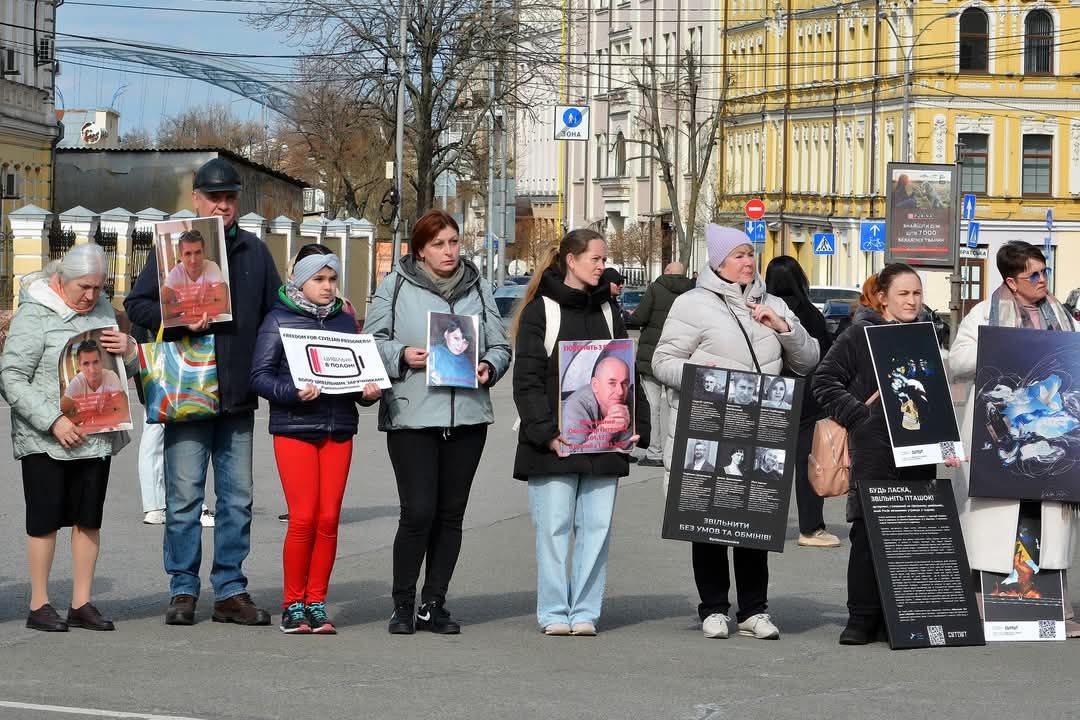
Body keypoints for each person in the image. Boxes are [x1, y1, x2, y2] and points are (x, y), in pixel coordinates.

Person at [125, 157, 281, 627]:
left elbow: (277, 313)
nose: (223, 205)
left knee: (237, 499)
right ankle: (183, 590)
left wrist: (324, 311)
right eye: (214, 197)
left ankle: (230, 590)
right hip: (188, 390)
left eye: (230, 197)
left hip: (237, 394)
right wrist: (175, 318)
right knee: (185, 497)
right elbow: (136, 305)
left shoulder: (254, 252)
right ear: (196, 199)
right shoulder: (171, 249)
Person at [653, 224, 819, 640]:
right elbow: (661, 361)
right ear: (718, 262)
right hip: (709, 425)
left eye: (750, 254)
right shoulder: (692, 304)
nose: (748, 263)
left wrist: (783, 327)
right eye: (739, 256)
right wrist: (696, 373)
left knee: (754, 520)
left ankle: (754, 610)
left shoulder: (774, 302)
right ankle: (713, 608)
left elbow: (809, 360)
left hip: (762, 424)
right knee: (709, 520)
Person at [365, 209, 511, 635]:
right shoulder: (395, 285)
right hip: (412, 415)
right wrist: (402, 355)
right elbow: (371, 343)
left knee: (451, 514)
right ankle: (402, 603)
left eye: (453, 241)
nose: (449, 251)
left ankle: (434, 604)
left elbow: (502, 345)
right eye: (438, 244)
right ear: (421, 250)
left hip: (467, 416)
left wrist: (488, 366)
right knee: (418, 512)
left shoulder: (479, 286)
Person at [0, 244, 139, 632]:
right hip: (47, 438)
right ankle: (39, 604)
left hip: (95, 437)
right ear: (60, 280)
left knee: (87, 519)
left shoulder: (103, 311)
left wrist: (129, 351)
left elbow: (121, 369)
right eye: (84, 287)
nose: (92, 295)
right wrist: (53, 420)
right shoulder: (34, 315)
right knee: (44, 520)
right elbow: (10, 377)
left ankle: (82, 602)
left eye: (99, 287)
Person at [948, 241, 1078, 637]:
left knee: (1050, 518)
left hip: (1050, 435)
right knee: (997, 520)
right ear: (1010, 280)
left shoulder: (1062, 318)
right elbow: (957, 362)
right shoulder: (983, 315)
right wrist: (1001, 347)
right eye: (1033, 275)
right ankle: (986, 600)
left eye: (1044, 272)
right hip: (999, 437)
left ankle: (1058, 607)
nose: (1042, 281)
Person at [250, 244, 381, 635]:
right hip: (295, 428)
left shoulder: (344, 319)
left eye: (332, 279)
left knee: (328, 520)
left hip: (338, 428)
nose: (327, 287)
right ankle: (293, 604)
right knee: (304, 518)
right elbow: (258, 376)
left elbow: (355, 373)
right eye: (319, 279)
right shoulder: (278, 318)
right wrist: (292, 391)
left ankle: (316, 602)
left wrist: (368, 391)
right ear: (300, 281)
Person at [511, 228, 635, 637]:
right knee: (555, 527)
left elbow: (627, 374)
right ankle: (553, 611)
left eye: (603, 259)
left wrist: (637, 427)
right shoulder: (540, 311)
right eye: (595, 259)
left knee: (597, 528)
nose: (603, 266)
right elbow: (526, 380)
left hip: (605, 445)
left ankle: (584, 611)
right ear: (571, 259)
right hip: (553, 443)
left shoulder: (608, 309)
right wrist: (547, 433)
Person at [813, 264, 944, 645]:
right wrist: (859, 416)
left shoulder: (924, 337)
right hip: (874, 449)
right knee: (869, 534)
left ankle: (898, 616)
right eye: (903, 294)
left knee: (910, 533)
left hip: (918, 448)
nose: (912, 301)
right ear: (883, 297)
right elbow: (824, 380)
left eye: (917, 294)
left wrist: (944, 441)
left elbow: (932, 395)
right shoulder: (859, 334)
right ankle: (861, 617)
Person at [765, 255, 840, 548]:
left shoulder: (760, 310)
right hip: (807, 400)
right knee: (807, 462)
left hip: (769, 395)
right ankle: (810, 528)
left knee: (766, 461)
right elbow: (826, 356)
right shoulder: (809, 314)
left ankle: (760, 522)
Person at [630, 262, 694, 467]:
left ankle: (655, 452)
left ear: (666, 272)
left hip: (652, 355)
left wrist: (632, 316)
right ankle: (677, 452)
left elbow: (641, 316)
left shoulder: (655, 288)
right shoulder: (693, 292)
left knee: (653, 406)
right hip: (681, 355)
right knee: (677, 406)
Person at [560, 354, 635, 451]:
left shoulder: (629, 396)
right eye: (612, 383)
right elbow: (572, 453)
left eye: (625, 383)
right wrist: (606, 430)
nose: (620, 391)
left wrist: (627, 428)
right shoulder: (575, 406)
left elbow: (626, 448)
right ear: (595, 385)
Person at [427, 316, 477, 387]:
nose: (460, 346)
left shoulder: (467, 362)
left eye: (465, 342)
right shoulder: (432, 352)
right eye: (456, 338)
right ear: (446, 334)